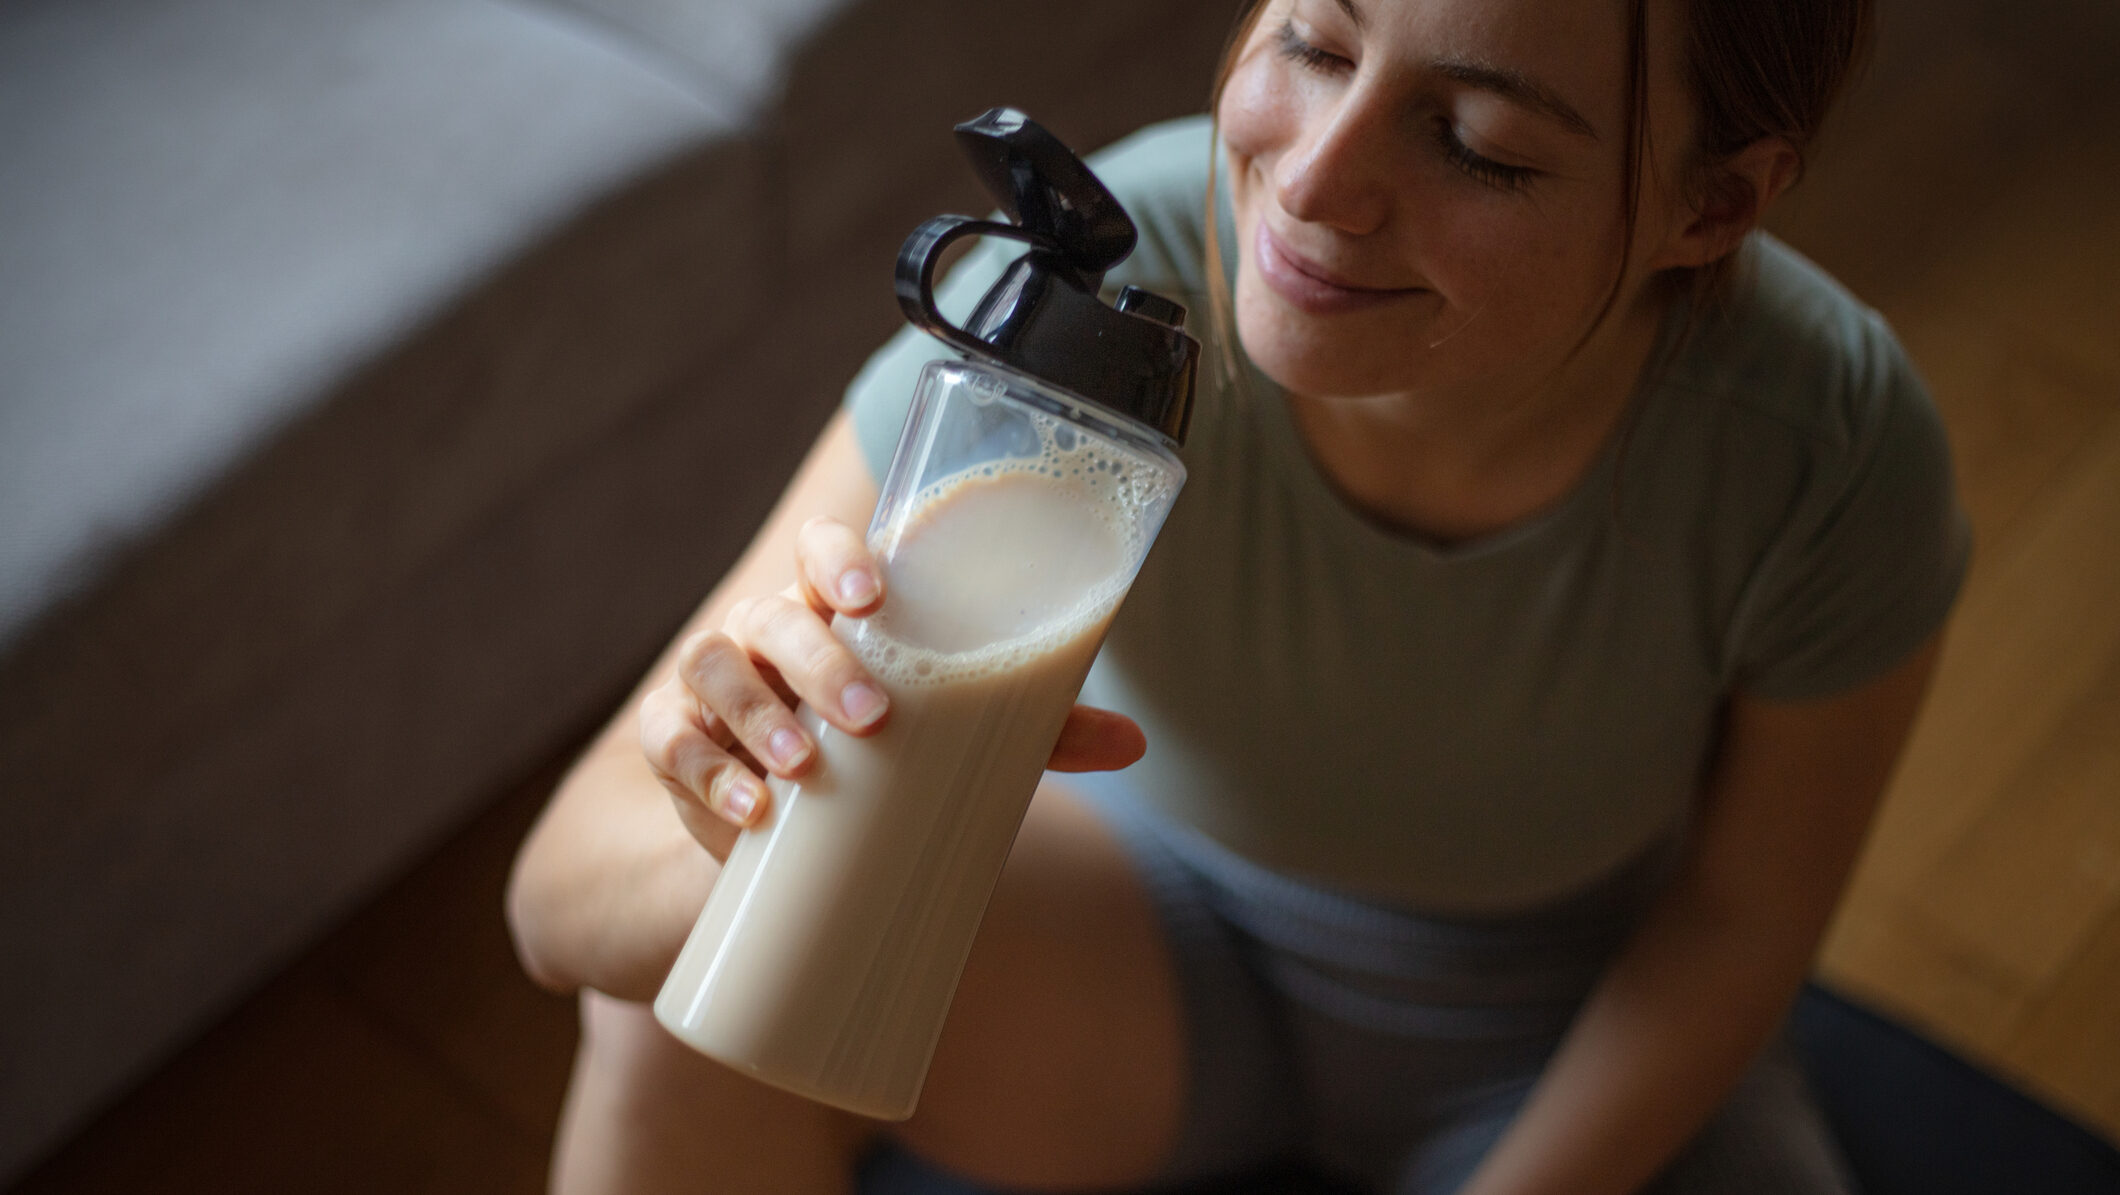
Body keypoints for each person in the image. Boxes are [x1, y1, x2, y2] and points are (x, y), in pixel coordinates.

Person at [506, 0, 1970, 1190]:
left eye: (1480, 146)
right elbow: (558, 905)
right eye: (1316, 44)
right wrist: (762, 841)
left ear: (1712, 204)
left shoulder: (1825, 448)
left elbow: (1740, 927)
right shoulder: (1116, 300)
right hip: (1143, 943)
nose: (1313, 184)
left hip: (1548, 1023)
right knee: (682, 1013)